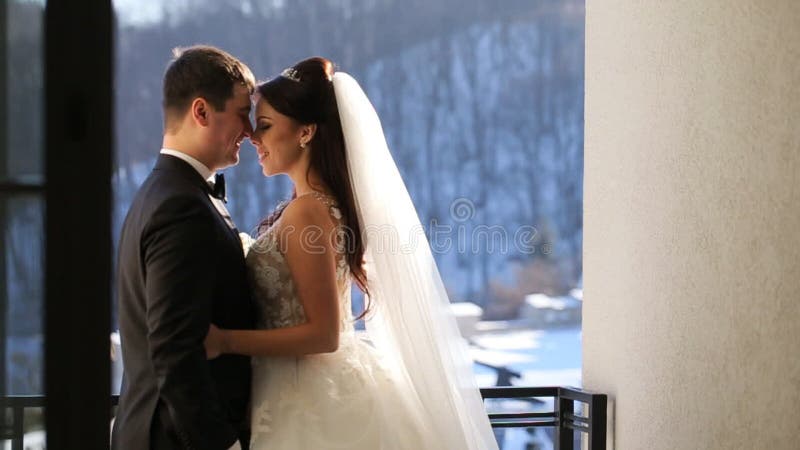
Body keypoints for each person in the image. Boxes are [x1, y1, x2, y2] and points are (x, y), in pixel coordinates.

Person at [204, 57, 499, 449]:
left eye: (266, 126)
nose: (254, 138)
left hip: (307, 397)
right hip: (310, 389)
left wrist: (225, 341)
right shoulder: (319, 205)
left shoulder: (308, 211)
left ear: (306, 132)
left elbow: (324, 334)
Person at [112, 45, 256, 450]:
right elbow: (174, 349)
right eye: (243, 113)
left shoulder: (160, 193)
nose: (250, 130)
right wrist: (221, 443)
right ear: (202, 112)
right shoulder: (181, 206)